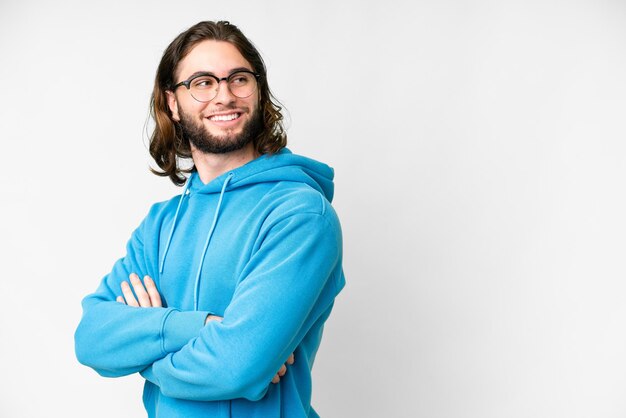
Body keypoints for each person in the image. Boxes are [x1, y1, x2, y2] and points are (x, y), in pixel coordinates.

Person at [74, 20, 345, 417]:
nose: (224, 95)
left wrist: (143, 357)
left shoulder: (300, 214)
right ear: (172, 103)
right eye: (202, 82)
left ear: (258, 90)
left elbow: (235, 367)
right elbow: (92, 338)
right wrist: (200, 328)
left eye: (239, 79)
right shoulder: (160, 225)